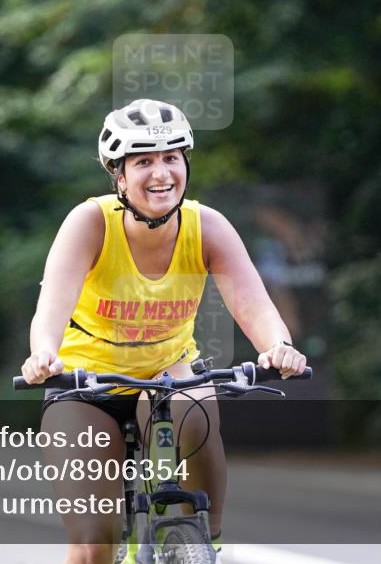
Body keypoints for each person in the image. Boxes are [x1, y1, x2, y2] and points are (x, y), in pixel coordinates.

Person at [21, 99, 308, 564]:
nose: (161, 173)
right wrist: (44, 354)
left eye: (171, 158)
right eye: (143, 161)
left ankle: (202, 538)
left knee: (195, 402)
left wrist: (278, 348)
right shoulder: (89, 223)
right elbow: (51, 307)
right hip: (82, 384)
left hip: (169, 375)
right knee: (95, 541)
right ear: (119, 176)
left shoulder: (206, 226)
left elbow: (253, 304)